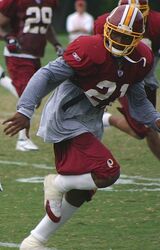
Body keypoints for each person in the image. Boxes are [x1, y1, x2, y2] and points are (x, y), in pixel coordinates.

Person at [3, 4, 160, 250]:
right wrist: (25, 109)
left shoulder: (140, 59)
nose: (118, 41)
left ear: (137, 39)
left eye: (125, 38)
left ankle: (34, 241)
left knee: (83, 190)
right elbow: (46, 75)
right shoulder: (89, 48)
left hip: (90, 120)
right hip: (66, 117)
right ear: (106, 29)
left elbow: (138, 103)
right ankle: (56, 184)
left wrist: (156, 120)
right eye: (115, 34)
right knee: (108, 172)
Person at [94, 0, 160, 160]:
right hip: (122, 77)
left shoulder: (156, 22)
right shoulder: (104, 22)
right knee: (145, 129)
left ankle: (107, 119)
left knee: (145, 129)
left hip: (146, 79)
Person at [0, 0, 64, 151]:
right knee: (29, 98)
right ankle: (22, 140)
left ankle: (1, 78)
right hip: (18, 54)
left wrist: (56, 44)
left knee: (34, 97)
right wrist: (8, 36)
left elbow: (45, 26)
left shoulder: (50, 2)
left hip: (35, 55)